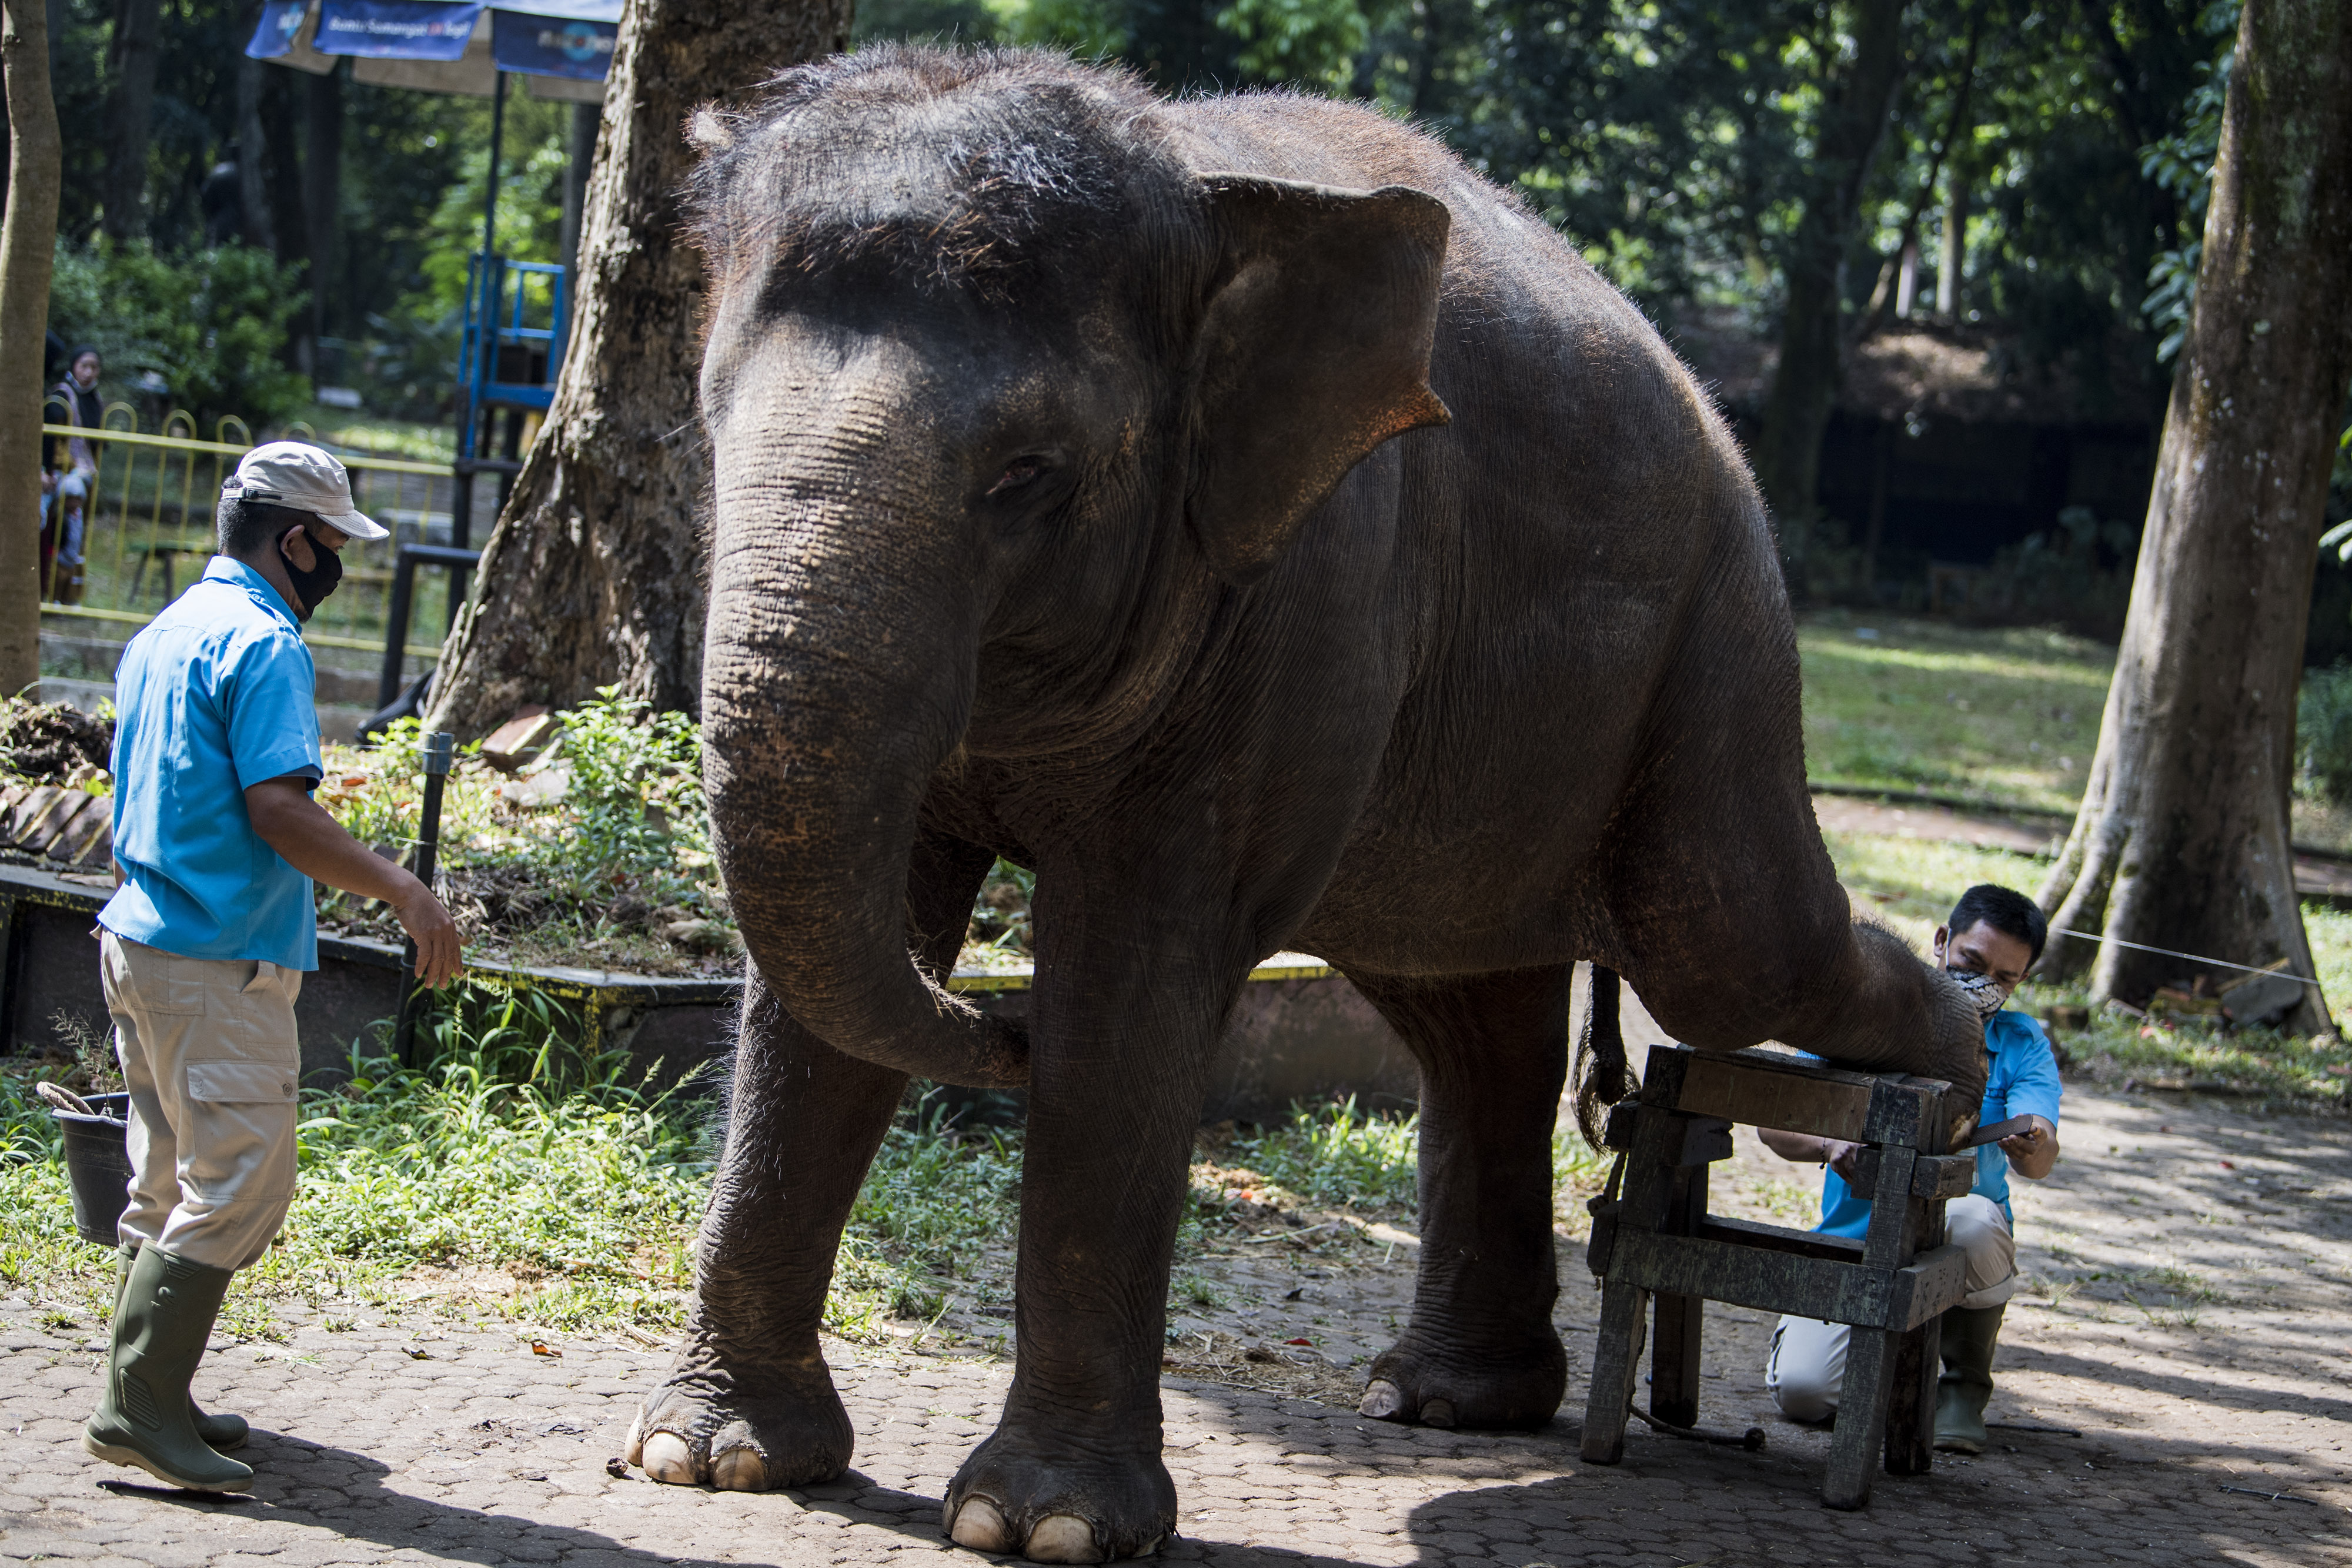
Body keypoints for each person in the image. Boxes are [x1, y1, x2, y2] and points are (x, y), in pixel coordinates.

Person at [83, 442, 465, 1492]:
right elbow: (279, 810)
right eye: (333, 544)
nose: (337, 564)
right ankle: (138, 1403)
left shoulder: (163, 633)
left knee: (168, 1175)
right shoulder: (262, 643)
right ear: (293, 539)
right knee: (244, 1177)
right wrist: (404, 889)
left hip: (139, 939)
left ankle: (156, 1387)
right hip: (215, 959)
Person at [1758, 883, 2062, 1454]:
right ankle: (1895, 1362)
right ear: (1941, 941)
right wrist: (1827, 1143)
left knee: (1974, 1219)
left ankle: (1961, 1388)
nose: (1984, 984)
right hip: (1855, 1243)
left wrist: (2034, 1143)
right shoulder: (1866, 1020)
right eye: (1972, 962)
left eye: (2005, 978)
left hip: (1954, 1240)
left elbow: (2042, 1154)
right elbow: (1774, 1124)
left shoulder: (2022, 1042)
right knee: (1804, 1394)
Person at [42, 346, 102, 605]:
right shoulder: (60, 396)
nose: (88, 372)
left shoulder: (95, 401)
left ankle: (62, 594)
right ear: (73, 366)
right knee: (45, 516)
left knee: (73, 526)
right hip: (51, 475)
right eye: (84, 366)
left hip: (78, 477)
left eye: (94, 367)